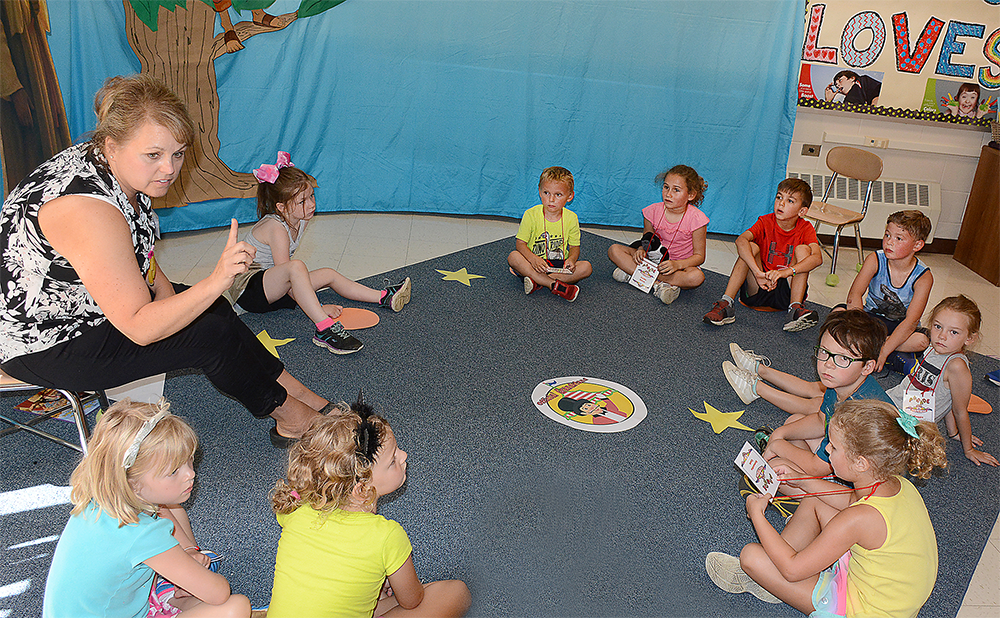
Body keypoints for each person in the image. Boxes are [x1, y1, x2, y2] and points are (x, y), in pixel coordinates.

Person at [0, 74, 329, 448]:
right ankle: (295, 419)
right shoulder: (88, 210)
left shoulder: (113, 166)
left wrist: (183, 296)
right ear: (111, 145)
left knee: (213, 309)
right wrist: (216, 279)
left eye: (178, 153)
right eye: (154, 155)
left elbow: (140, 254)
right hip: (44, 343)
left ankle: (295, 391)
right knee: (211, 336)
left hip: (87, 308)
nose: (170, 168)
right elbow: (139, 328)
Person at [708, 400, 944, 615]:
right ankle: (775, 572)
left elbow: (792, 569)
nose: (827, 449)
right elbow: (850, 499)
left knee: (751, 557)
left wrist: (757, 515)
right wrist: (802, 479)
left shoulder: (857, 519)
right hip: (893, 591)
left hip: (866, 609)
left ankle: (769, 580)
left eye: (833, 447)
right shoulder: (896, 484)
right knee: (814, 498)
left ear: (861, 463)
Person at [43, 399, 251, 618]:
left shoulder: (102, 497)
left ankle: (178, 575)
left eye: (189, 461)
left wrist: (189, 552)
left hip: (115, 604)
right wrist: (197, 574)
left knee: (170, 505)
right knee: (235, 608)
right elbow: (218, 593)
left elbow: (160, 509)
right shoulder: (142, 533)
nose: (190, 474)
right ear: (132, 481)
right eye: (173, 471)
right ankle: (176, 582)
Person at [267, 399, 471, 618]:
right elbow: (412, 601)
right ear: (362, 490)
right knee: (457, 593)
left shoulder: (297, 509)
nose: (404, 456)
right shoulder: (387, 536)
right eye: (392, 460)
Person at [226, 153, 411, 355]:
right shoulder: (275, 227)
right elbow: (286, 274)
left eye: (312, 196)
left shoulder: (301, 219)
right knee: (296, 267)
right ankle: (324, 329)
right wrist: (320, 307)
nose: (311, 204)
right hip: (249, 290)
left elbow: (287, 280)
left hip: (271, 286)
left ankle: (384, 297)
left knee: (328, 274)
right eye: (302, 201)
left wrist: (307, 297)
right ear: (281, 207)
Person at [724, 310, 893, 476]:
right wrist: (779, 435)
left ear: (868, 367)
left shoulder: (857, 414)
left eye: (844, 359)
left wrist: (778, 446)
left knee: (778, 467)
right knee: (793, 422)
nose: (828, 364)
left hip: (868, 483)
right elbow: (821, 420)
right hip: (845, 453)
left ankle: (819, 493)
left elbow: (818, 467)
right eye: (825, 352)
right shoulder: (841, 384)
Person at [887, 295, 998, 467]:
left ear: (969, 338)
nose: (942, 336)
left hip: (911, 422)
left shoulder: (957, 367)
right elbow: (944, 396)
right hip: (896, 401)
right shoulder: (933, 348)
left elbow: (959, 410)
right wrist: (952, 432)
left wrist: (968, 449)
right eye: (938, 326)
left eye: (953, 332)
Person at [703, 178, 823, 332]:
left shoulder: (805, 228)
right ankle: (726, 304)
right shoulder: (765, 221)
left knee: (804, 251)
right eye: (779, 197)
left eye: (790, 201)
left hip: (786, 290)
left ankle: (795, 309)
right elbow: (741, 241)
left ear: (802, 211)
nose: (781, 203)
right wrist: (758, 273)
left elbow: (817, 258)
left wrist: (785, 272)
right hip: (758, 286)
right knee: (750, 246)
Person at [836, 210, 932, 372]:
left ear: (917, 245)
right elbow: (855, 295)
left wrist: (884, 349)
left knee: (922, 341)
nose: (889, 242)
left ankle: (872, 350)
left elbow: (911, 321)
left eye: (898, 238)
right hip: (869, 320)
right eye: (887, 235)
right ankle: (895, 358)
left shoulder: (923, 277)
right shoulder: (875, 259)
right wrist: (860, 327)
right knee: (838, 313)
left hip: (899, 327)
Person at [606, 165, 709, 304]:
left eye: (676, 190)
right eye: (666, 187)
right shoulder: (652, 212)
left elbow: (699, 257)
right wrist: (641, 250)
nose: (668, 194)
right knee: (614, 250)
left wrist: (677, 265)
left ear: (690, 195)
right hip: (652, 260)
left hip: (679, 266)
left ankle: (636, 275)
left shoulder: (697, 220)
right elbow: (647, 239)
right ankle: (659, 285)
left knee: (696, 277)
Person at [507, 166, 593, 302]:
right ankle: (553, 284)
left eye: (558, 195)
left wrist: (571, 259)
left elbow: (575, 247)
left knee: (586, 267)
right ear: (540, 192)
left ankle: (537, 282)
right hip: (533, 263)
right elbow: (520, 244)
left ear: (570, 196)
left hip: (558, 266)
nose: (551, 199)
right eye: (546, 193)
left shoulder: (571, 218)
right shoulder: (530, 214)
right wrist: (533, 259)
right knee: (513, 257)